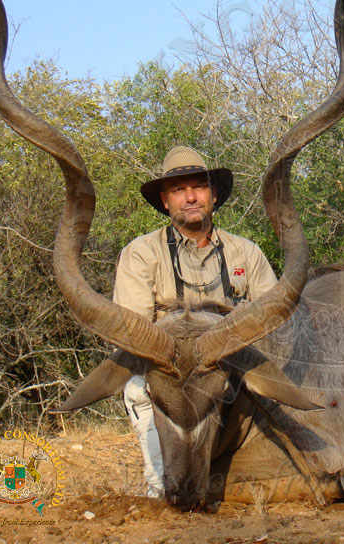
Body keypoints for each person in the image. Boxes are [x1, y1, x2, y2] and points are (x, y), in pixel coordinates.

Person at [113, 145, 278, 497]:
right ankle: (162, 479)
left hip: (232, 375)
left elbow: (275, 325)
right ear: (165, 201)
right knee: (137, 387)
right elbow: (132, 337)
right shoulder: (142, 253)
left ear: (213, 196)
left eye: (198, 188)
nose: (190, 197)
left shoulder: (246, 253)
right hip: (173, 379)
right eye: (178, 190)